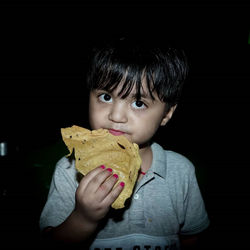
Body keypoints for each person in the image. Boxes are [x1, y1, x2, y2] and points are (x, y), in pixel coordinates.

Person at [39, 36, 210, 249]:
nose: (116, 116)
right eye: (106, 97)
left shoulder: (181, 172)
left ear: (166, 113)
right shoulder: (69, 170)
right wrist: (84, 218)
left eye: (138, 103)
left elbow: (191, 236)